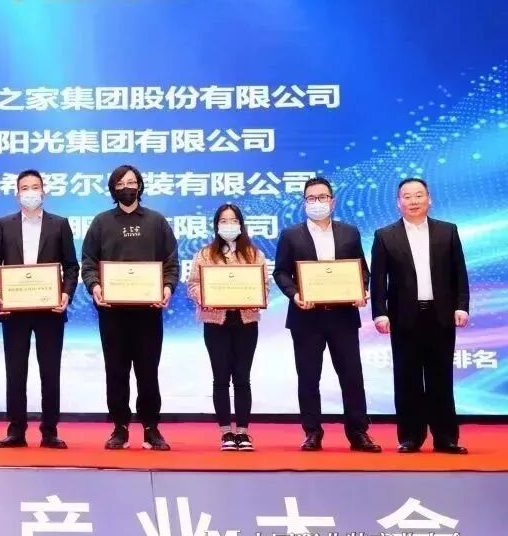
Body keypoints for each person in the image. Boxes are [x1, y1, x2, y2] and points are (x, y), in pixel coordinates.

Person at [273, 176, 381, 452]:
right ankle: (312, 432)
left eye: (322, 197)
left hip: (343, 317)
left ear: (332, 202)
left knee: (352, 376)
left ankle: (358, 433)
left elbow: (362, 269)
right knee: (309, 377)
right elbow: (280, 272)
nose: (317, 202)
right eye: (311, 198)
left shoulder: (349, 233)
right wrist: (295, 295)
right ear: (304, 203)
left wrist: (361, 289)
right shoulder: (291, 235)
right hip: (306, 317)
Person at [80, 165, 178, 451]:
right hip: (113, 312)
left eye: (132, 182)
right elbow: (88, 261)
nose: (127, 187)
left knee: (148, 371)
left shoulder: (156, 221)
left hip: (148, 312)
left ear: (140, 186)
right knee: (116, 370)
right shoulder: (101, 222)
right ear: (113, 188)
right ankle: (120, 427)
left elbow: (171, 262)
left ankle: (151, 428)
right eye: (121, 183)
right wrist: (94, 286)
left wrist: (167, 287)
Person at [371, 178, 470, 454]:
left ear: (429, 199)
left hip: (441, 315)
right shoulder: (385, 235)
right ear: (398, 202)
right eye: (407, 196)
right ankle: (410, 437)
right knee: (407, 378)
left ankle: (446, 438)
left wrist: (462, 306)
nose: (413, 201)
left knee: (441, 377)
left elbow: (459, 272)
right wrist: (379, 313)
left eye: (418, 195)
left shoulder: (448, 231)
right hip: (403, 317)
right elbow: (378, 280)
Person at [0, 169, 79, 449]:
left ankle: (50, 430)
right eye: (24, 188)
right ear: (17, 194)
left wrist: (65, 294)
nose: (30, 192)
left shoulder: (59, 224)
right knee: (15, 371)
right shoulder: (4, 224)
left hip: (50, 310)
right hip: (14, 310)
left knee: (50, 371)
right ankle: (16, 430)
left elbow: (71, 266)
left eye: (35, 187)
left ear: (43, 192)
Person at [186, 203, 269, 452]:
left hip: (246, 322)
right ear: (216, 225)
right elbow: (193, 284)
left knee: (242, 377)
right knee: (221, 377)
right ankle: (226, 432)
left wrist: (256, 296)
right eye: (223, 221)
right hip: (216, 323)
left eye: (233, 220)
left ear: (241, 224)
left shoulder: (254, 254)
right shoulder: (205, 254)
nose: (228, 225)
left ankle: (243, 432)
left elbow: (264, 286)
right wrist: (204, 297)